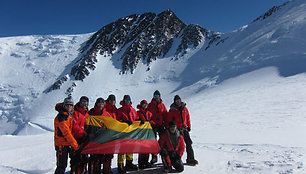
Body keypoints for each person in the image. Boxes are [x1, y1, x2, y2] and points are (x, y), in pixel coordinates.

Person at [167, 95, 198, 166]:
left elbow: (187, 118)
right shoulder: (172, 110)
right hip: (176, 130)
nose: (177, 102)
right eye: (176, 101)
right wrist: (171, 128)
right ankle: (176, 160)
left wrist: (189, 126)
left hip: (184, 129)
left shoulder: (185, 108)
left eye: (178, 100)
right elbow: (169, 120)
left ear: (180, 100)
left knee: (189, 143)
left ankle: (190, 159)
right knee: (177, 146)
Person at [86, 98, 114, 174]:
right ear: (96, 104)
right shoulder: (91, 113)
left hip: (105, 138)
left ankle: (106, 171)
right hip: (94, 139)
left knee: (107, 156)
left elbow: (112, 124)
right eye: (99, 103)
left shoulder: (107, 114)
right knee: (95, 158)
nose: (101, 105)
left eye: (102, 104)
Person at [54, 96, 79, 174]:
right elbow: (66, 133)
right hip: (61, 145)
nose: (69, 106)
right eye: (67, 105)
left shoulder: (68, 115)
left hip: (67, 144)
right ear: (64, 105)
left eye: (71, 105)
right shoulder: (62, 117)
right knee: (61, 166)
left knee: (63, 165)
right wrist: (75, 146)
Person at [116, 95, 138, 174]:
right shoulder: (120, 110)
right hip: (122, 133)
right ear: (123, 101)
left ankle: (129, 163)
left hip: (131, 133)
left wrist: (140, 120)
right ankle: (120, 165)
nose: (127, 102)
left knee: (130, 148)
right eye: (126, 100)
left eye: (128, 100)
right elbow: (117, 120)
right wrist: (124, 122)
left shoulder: (133, 110)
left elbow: (136, 118)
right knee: (122, 149)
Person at [147, 90, 168, 164]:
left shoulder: (162, 105)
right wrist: (151, 122)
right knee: (153, 142)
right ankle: (154, 157)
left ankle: (164, 157)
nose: (156, 97)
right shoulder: (150, 105)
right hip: (153, 125)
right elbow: (147, 115)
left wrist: (166, 125)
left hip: (161, 125)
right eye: (155, 96)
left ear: (160, 96)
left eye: (158, 96)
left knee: (163, 141)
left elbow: (165, 115)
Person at [70, 96, 90, 174]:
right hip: (75, 139)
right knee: (75, 159)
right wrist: (83, 134)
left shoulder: (87, 113)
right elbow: (74, 126)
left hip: (84, 139)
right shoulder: (75, 112)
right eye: (83, 102)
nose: (84, 104)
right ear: (80, 102)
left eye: (86, 102)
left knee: (84, 158)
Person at [136, 100, 156, 169]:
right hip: (141, 133)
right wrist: (139, 120)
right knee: (141, 148)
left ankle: (146, 161)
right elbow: (135, 120)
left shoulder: (149, 113)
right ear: (141, 105)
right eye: (144, 105)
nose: (145, 106)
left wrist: (151, 122)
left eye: (146, 105)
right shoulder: (138, 113)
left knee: (147, 147)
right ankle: (141, 163)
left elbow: (153, 121)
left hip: (148, 133)